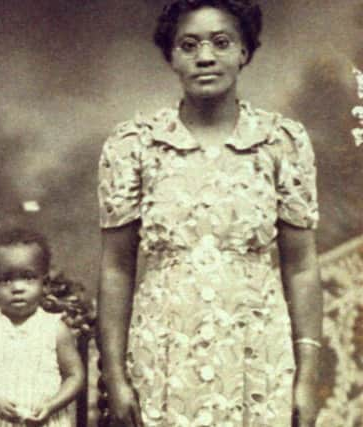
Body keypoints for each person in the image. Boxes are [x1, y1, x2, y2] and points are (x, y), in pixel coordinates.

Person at [96, 1, 322, 426]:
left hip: (258, 358)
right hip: (162, 358)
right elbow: (116, 270)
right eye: (188, 45)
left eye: (221, 42)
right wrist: (115, 375)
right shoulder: (133, 145)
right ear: (171, 57)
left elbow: (302, 267)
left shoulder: (282, 142)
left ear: (244, 52)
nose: (205, 57)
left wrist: (307, 380)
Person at [0, 228, 85, 427]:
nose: (17, 288)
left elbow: (75, 376)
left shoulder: (55, 329)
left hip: (41, 420)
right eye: (6, 280)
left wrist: (52, 405)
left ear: (45, 283)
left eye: (28, 277)